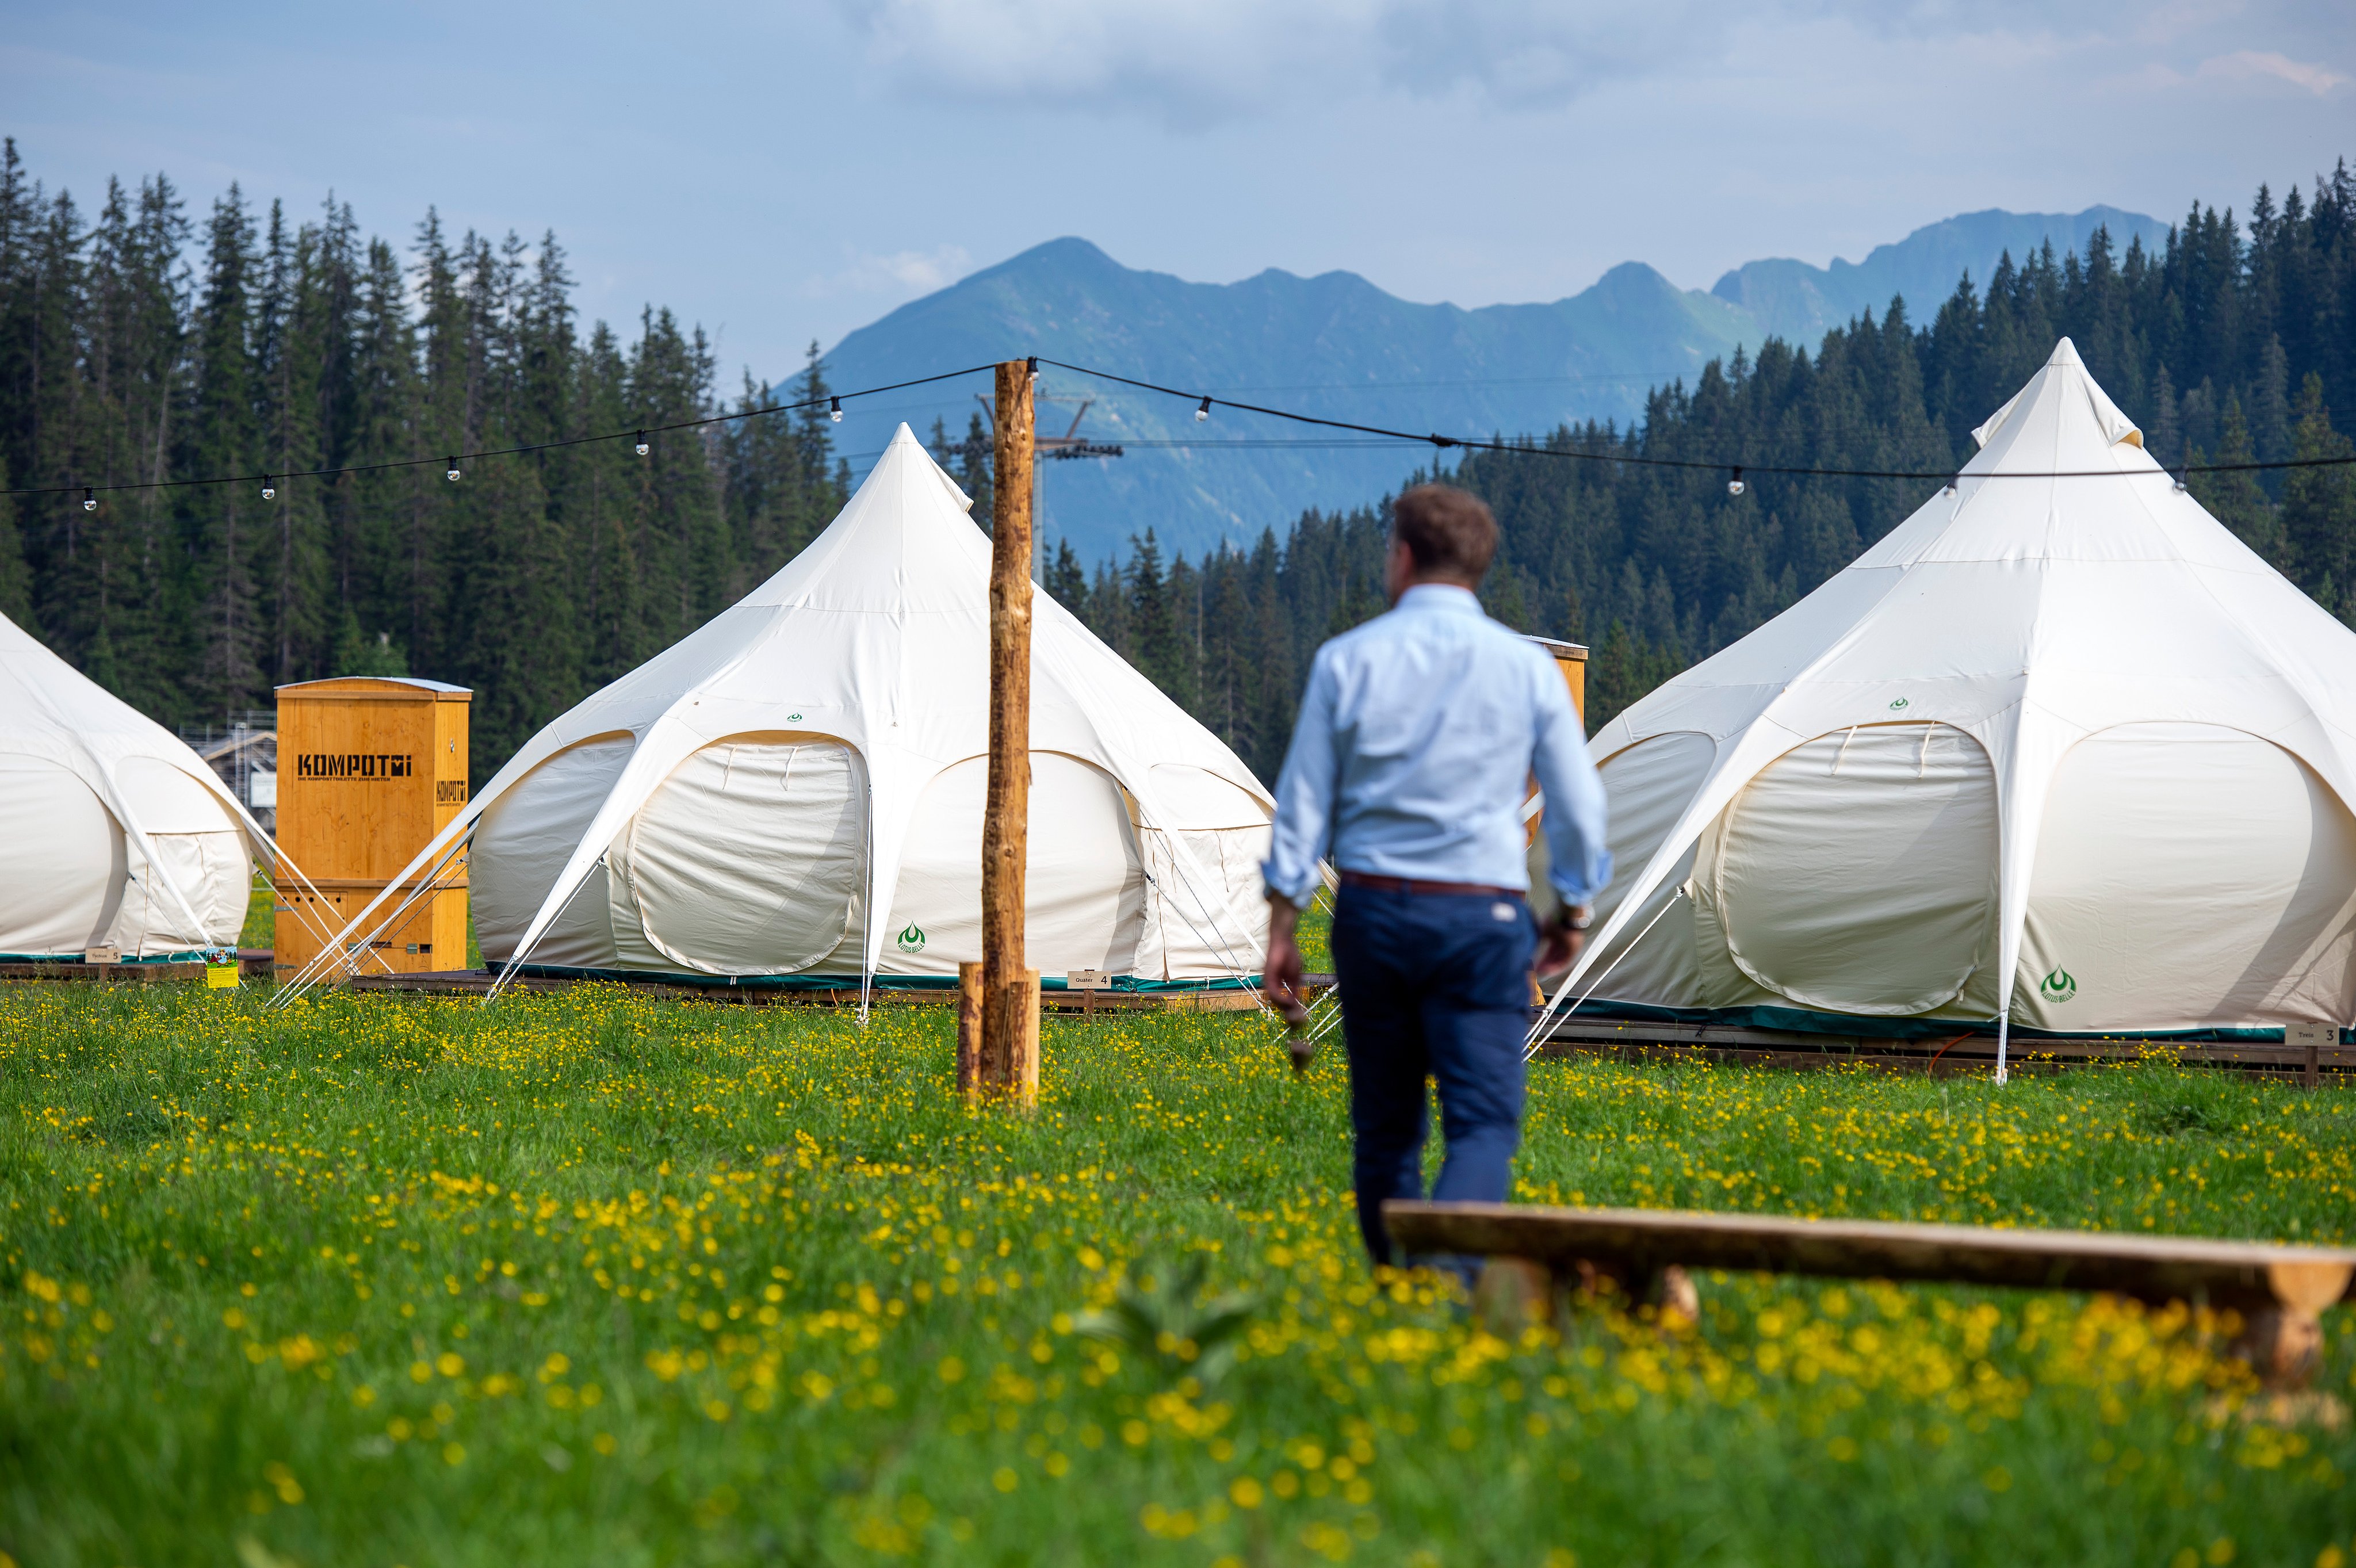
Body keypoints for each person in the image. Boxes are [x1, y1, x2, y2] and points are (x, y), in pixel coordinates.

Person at [1261, 484, 1611, 1274]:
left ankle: (1396, 1284)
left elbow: (1303, 804)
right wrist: (1571, 905)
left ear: (1405, 555)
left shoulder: (1345, 660)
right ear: (1478, 568)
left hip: (1375, 909)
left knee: (1387, 1127)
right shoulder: (1525, 670)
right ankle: (1448, 1286)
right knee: (1483, 1123)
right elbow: (1580, 805)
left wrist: (1283, 923)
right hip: (1483, 917)